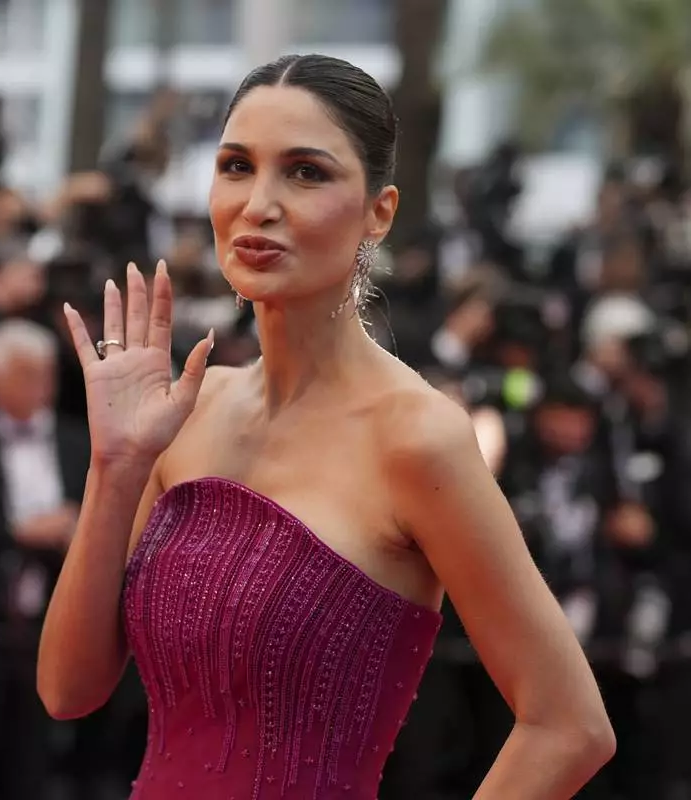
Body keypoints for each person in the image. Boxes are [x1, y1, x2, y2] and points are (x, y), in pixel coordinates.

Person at [37, 54, 614, 799]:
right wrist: (114, 468)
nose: (259, 204)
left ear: (380, 211)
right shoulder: (184, 411)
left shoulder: (417, 436)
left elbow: (569, 724)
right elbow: (67, 690)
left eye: (306, 173)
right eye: (236, 166)